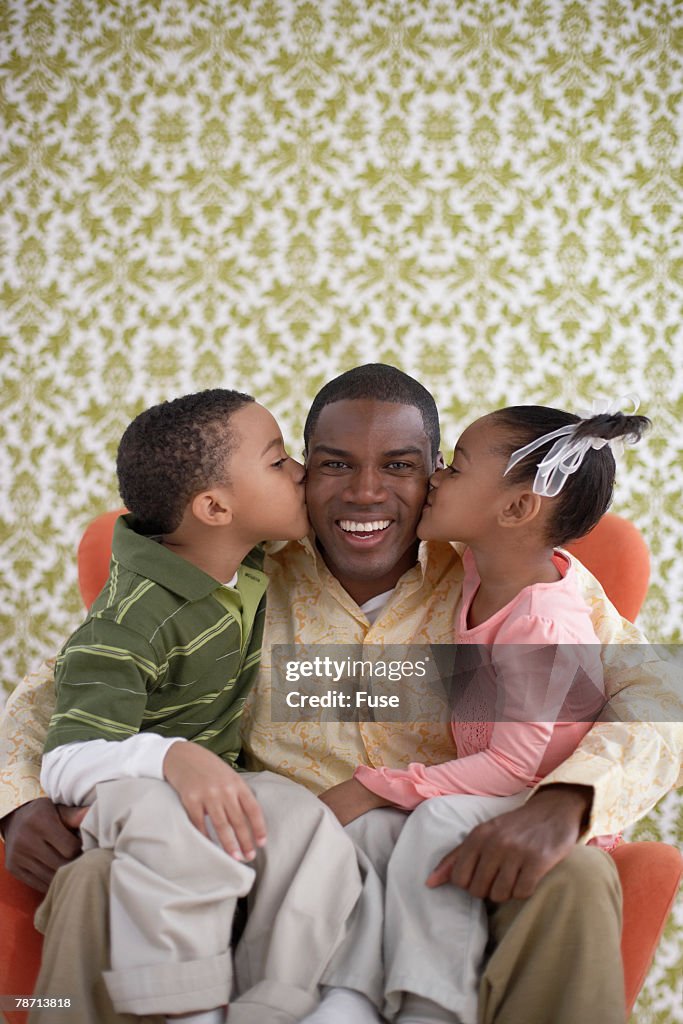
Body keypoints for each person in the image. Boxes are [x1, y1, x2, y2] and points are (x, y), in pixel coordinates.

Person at [1, 366, 681, 1024]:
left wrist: (569, 799)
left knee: (580, 878)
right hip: (265, 869)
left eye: (399, 465)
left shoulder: (513, 577)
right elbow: (62, 686)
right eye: (332, 464)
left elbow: (656, 694)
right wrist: (19, 799)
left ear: (436, 474)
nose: (363, 492)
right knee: (92, 881)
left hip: (449, 868)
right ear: (299, 471)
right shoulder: (233, 574)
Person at [31, 388, 364, 1024]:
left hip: (214, 785)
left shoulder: (246, 562)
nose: (299, 471)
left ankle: (280, 1001)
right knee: (167, 829)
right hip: (129, 786)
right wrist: (171, 759)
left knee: (300, 819)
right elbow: (68, 758)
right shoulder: (130, 621)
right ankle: (184, 1007)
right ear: (214, 507)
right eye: (277, 462)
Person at [337, 402, 650, 1024]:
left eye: (452, 468)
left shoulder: (543, 622)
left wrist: (378, 785)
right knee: (373, 833)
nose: (433, 480)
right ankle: (350, 997)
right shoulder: (482, 565)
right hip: (494, 784)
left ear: (514, 510)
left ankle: (433, 1003)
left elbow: (515, 765)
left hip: (529, 795)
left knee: (431, 820)